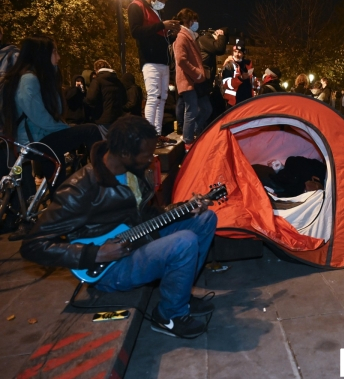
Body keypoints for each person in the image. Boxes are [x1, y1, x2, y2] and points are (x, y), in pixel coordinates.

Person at [20, 115, 217, 338]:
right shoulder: (80, 189)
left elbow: (149, 215)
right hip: (110, 267)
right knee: (184, 242)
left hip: (138, 240)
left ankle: (181, 295)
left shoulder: (133, 170)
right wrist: (95, 253)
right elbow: (33, 245)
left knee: (204, 219)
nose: (151, 158)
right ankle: (168, 316)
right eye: (146, 154)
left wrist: (183, 209)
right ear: (125, 154)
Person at [1, 35, 102, 196]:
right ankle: (105, 179)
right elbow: (41, 118)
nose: (59, 57)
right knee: (90, 130)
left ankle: (61, 210)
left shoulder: (38, 79)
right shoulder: (29, 80)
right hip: (35, 142)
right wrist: (67, 129)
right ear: (41, 54)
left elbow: (55, 111)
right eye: (54, 52)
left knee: (58, 185)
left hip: (42, 138)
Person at [128, 0, 180, 146]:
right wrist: (161, 25)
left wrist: (171, 34)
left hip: (162, 60)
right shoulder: (136, 6)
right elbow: (136, 31)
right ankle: (149, 136)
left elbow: (161, 38)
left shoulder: (157, 13)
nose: (163, 3)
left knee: (162, 97)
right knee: (153, 97)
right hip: (149, 60)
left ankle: (156, 134)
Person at [173, 8, 212, 150]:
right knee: (191, 111)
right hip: (189, 80)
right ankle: (188, 142)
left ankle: (193, 132)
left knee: (206, 108)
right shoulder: (182, 37)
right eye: (194, 20)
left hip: (196, 81)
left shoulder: (190, 36)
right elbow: (181, 60)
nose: (196, 23)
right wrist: (197, 73)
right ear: (188, 21)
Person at [85, 60, 127, 138]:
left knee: (105, 145)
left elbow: (90, 99)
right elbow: (124, 99)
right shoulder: (118, 82)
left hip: (102, 118)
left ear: (96, 69)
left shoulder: (97, 81)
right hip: (118, 117)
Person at [197, 27, 228, 121]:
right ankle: (194, 130)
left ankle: (196, 130)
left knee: (206, 109)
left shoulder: (206, 40)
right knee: (204, 109)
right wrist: (221, 36)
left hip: (204, 81)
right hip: (201, 80)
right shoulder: (206, 39)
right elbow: (220, 49)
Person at [222, 40, 254, 106]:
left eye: (239, 52)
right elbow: (226, 84)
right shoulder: (229, 65)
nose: (237, 54)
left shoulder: (248, 64)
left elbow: (252, 79)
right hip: (234, 101)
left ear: (243, 53)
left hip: (248, 99)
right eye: (235, 52)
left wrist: (255, 84)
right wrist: (240, 78)